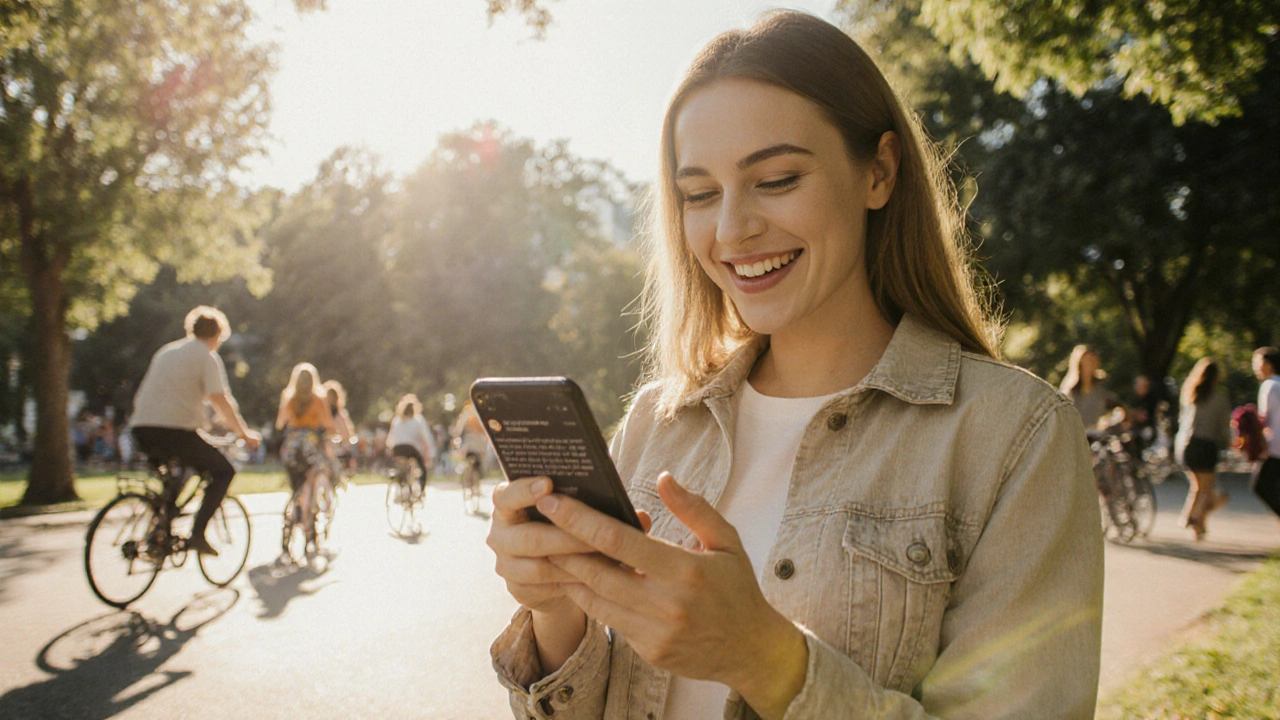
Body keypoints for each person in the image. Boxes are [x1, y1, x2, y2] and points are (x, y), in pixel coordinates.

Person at [486, 12, 1102, 719]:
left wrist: (764, 658)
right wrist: (555, 610)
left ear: (878, 172)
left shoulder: (1014, 437)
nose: (731, 229)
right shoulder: (658, 422)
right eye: (699, 194)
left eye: (776, 179)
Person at [129, 306, 261, 556]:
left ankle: (159, 532)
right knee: (223, 472)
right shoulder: (205, 356)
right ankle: (198, 534)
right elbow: (220, 399)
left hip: (141, 428)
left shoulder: (166, 352)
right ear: (217, 336)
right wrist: (243, 433)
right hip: (175, 431)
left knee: (175, 478)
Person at [1173, 358, 1232, 540]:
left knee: (1198, 487)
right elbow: (1223, 429)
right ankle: (1192, 517)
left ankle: (1197, 526)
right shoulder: (1219, 399)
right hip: (1206, 446)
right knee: (1206, 489)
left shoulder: (1190, 395)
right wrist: (1229, 443)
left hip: (1186, 446)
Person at [1060, 345, 1119, 432]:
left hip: (1099, 438)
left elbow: (1117, 409)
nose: (1090, 365)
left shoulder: (1103, 388)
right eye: (1087, 361)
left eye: (1093, 361)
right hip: (1077, 437)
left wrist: (1108, 420)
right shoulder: (1069, 392)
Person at [1252, 347, 1280, 521]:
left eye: (1257, 363)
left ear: (1268, 365)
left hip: (1275, 447)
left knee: (1260, 486)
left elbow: (1263, 421)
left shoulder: (1269, 386)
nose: (1255, 368)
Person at [387, 394, 434, 493]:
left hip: (397, 448)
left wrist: (391, 449)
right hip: (411, 448)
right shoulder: (417, 420)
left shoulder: (396, 420)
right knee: (422, 467)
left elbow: (390, 439)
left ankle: (401, 485)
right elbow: (425, 440)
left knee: (400, 467)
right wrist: (426, 455)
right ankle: (421, 490)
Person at [323, 380, 358, 475]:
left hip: (333, 446)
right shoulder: (326, 413)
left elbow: (346, 433)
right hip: (327, 446)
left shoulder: (339, 414)